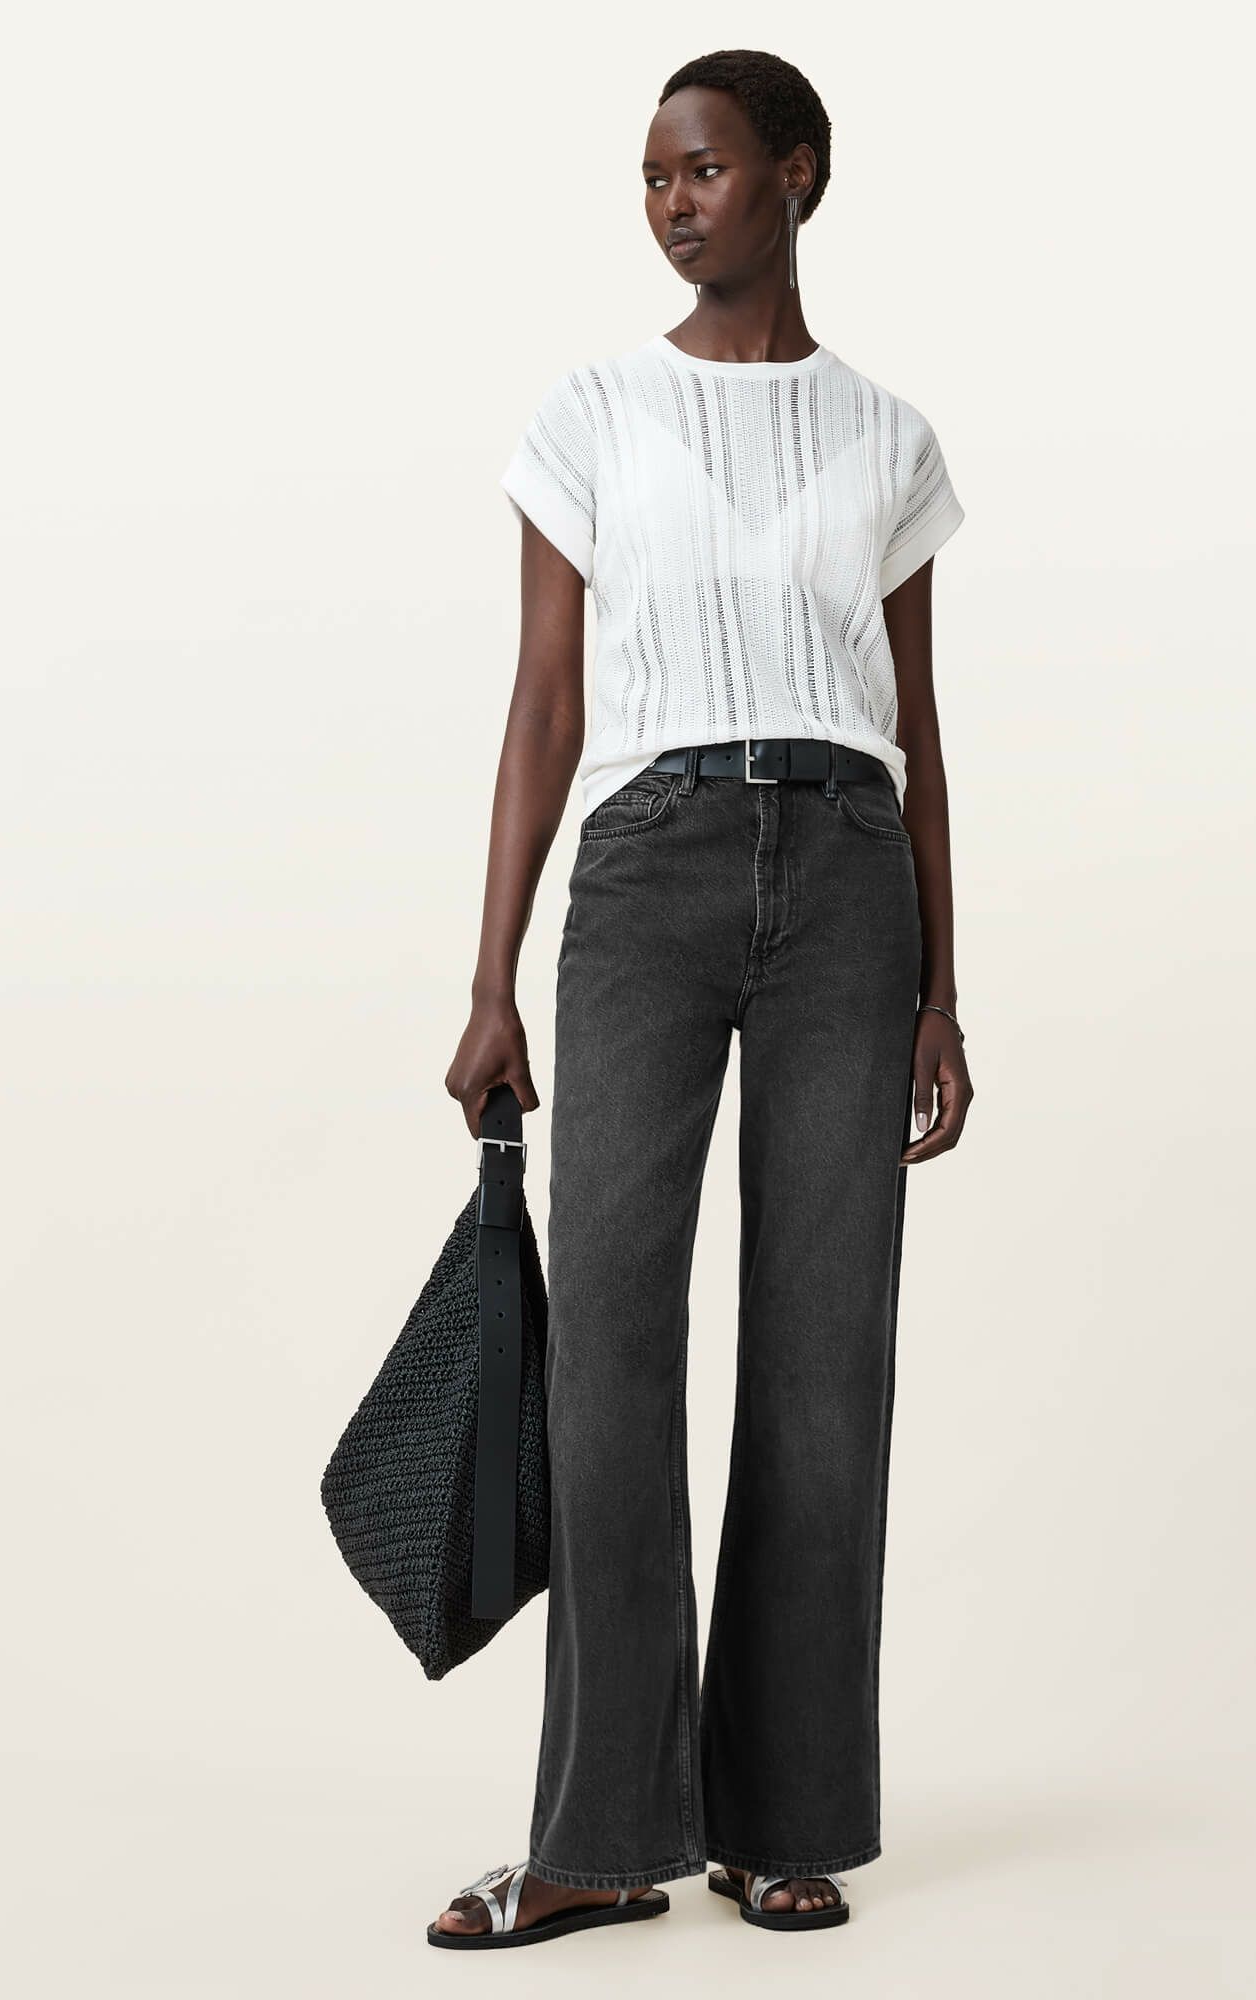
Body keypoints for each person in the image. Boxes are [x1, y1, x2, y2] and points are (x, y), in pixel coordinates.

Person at [430, 47, 973, 1950]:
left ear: (797, 176)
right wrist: (489, 977)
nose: (674, 202)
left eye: (708, 168)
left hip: (846, 881)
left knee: (826, 1366)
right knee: (611, 1362)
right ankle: (599, 1837)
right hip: (647, 874)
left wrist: (945, 990)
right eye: (655, 176)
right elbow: (544, 705)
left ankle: (784, 1816)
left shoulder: (889, 438)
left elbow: (915, 728)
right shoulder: (592, 412)